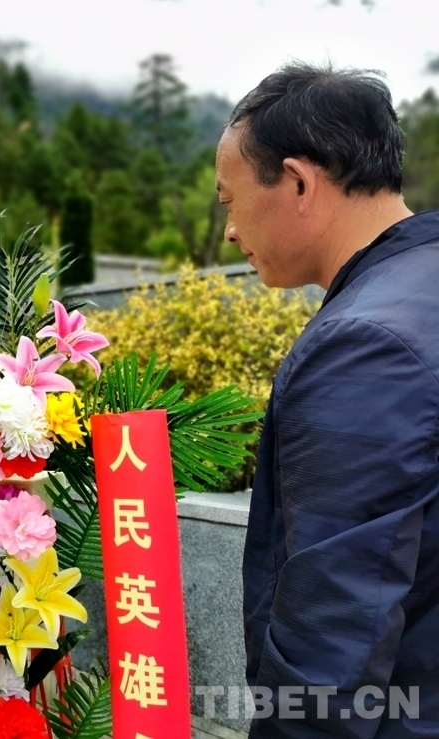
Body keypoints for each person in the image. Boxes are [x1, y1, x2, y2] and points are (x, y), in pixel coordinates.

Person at [218, 63, 439, 737]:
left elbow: (332, 637)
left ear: (297, 182)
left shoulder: (365, 346)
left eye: (229, 201)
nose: (229, 231)